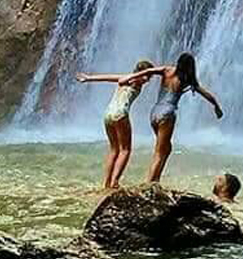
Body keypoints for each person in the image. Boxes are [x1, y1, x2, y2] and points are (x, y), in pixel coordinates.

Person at [118, 52, 223, 182]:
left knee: (166, 149)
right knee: (159, 153)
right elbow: (206, 94)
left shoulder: (166, 70)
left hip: (154, 113)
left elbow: (149, 70)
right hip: (167, 114)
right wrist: (217, 106)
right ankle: (149, 184)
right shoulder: (186, 79)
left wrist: (130, 77)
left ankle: (156, 180)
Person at [77, 59, 154, 189]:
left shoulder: (127, 77)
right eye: (148, 76)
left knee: (114, 150)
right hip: (120, 114)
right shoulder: (135, 82)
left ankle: (106, 183)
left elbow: (107, 78)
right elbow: (121, 81)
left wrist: (89, 78)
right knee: (125, 150)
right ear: (143, 74)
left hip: (107, 115)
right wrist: (141, 76)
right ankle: (114, 182)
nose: (148, 80)